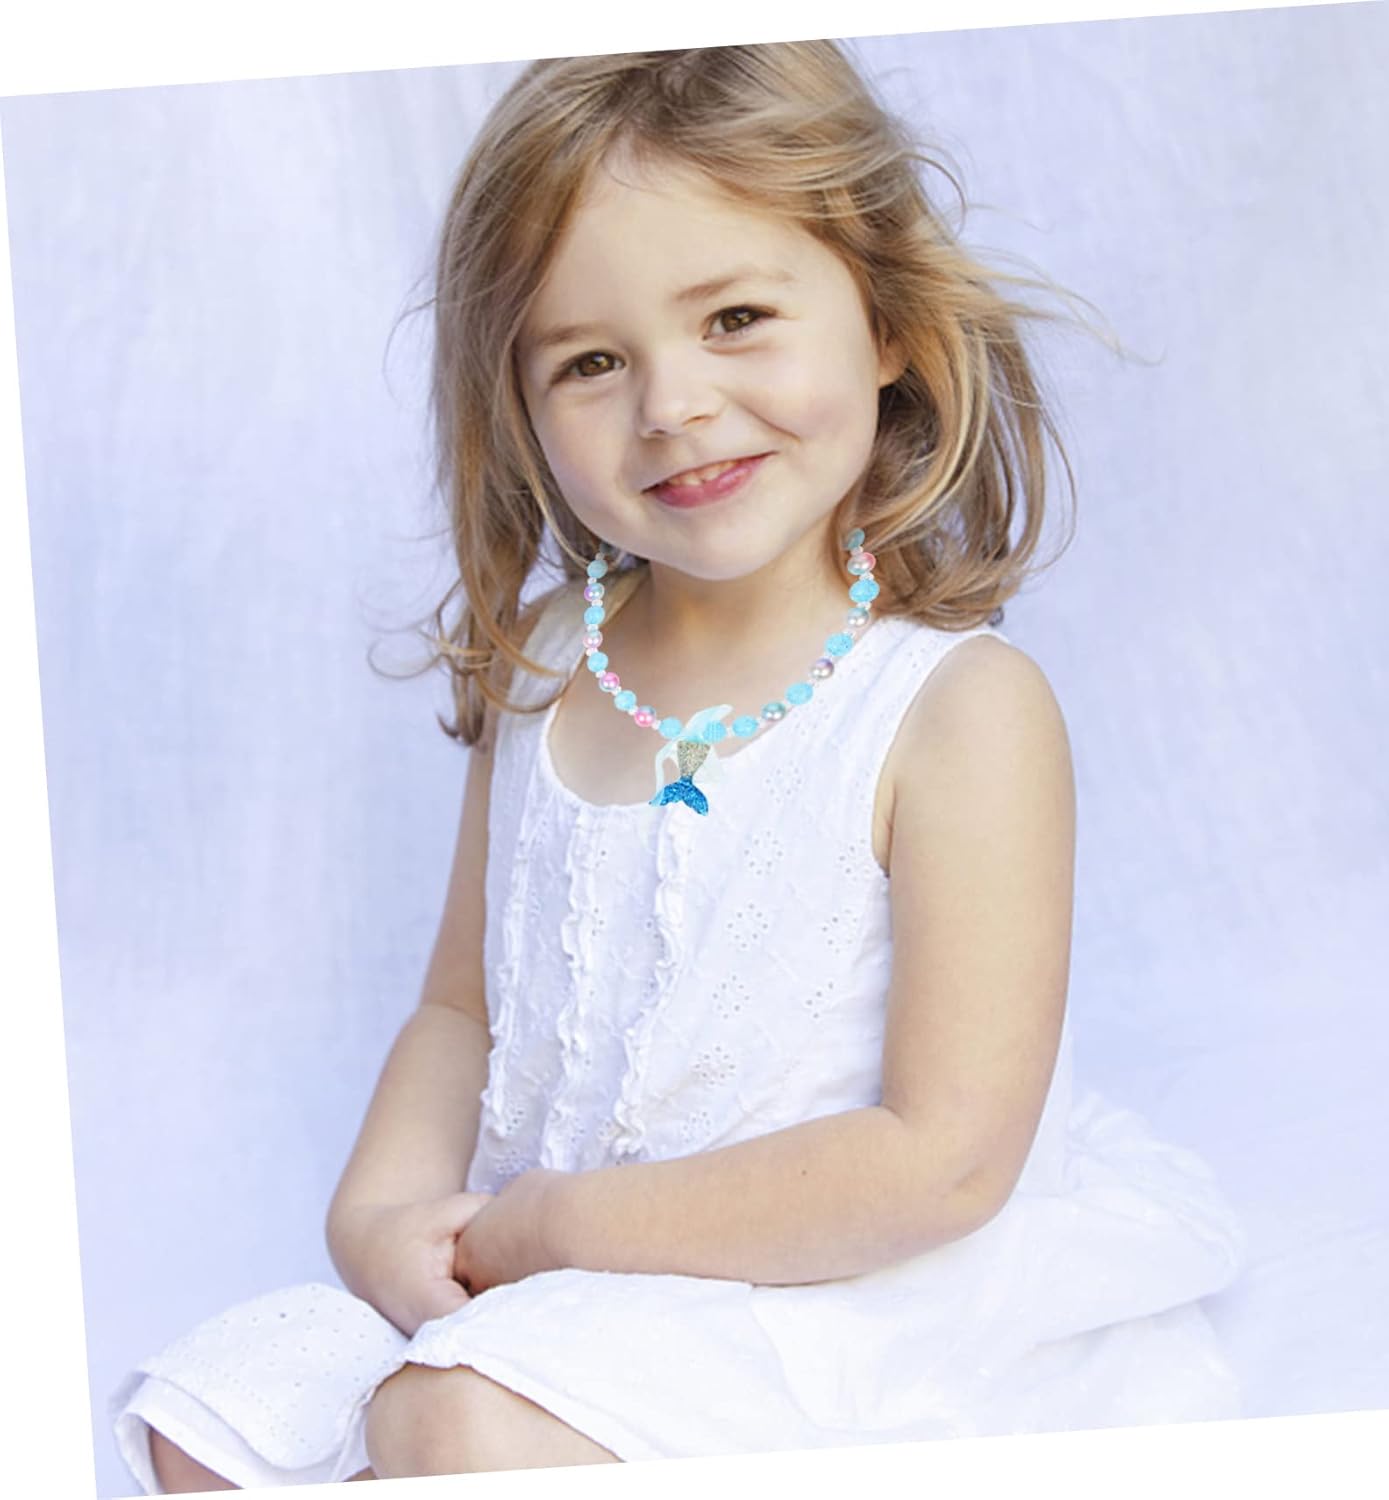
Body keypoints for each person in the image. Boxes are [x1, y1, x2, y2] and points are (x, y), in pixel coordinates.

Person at [111, 41, 1246, 1491]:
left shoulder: (959, 712)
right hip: (549, 1285)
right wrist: (381, 1215)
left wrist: (565, 1228)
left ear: (888, 323)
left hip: (839, 1289)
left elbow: (945, 1161)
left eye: (736, 319)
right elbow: (460, 1005)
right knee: (209, 1418)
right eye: (591, 362)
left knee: (451, 1426)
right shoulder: (544, 665)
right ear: (521, 410)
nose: (673, 404)